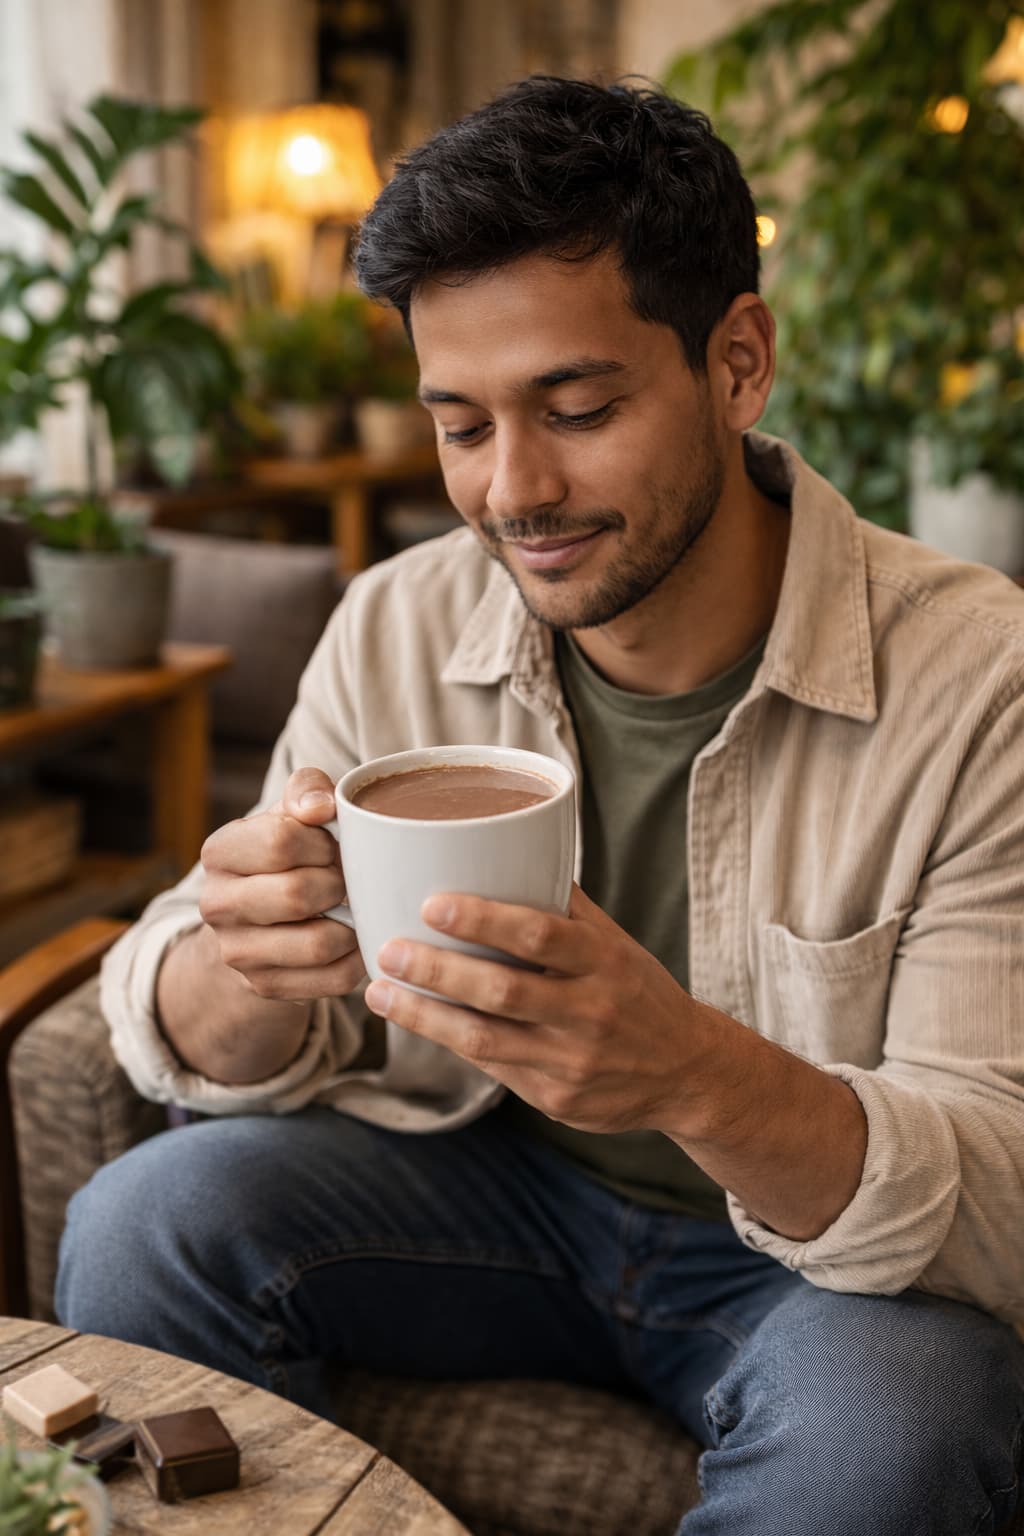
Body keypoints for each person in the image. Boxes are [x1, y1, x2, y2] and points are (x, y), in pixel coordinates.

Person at [57, 77, 1024, 1535]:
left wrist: (689, 1072)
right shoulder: (395, 624)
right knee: (142, 1217)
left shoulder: (981, 681)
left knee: (902, 1426)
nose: (514, 492)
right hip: (488, 1197)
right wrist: (240, 966)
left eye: (578, 408)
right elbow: (199, 1015)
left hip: (816, 1272)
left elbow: (1002, 1203)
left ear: (739, 361)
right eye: (460, 427)